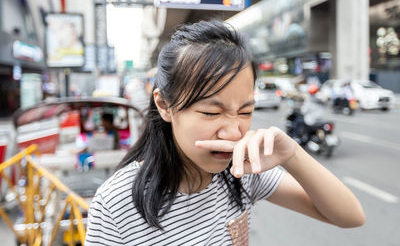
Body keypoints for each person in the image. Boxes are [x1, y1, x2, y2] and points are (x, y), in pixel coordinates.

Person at [85, 20, 365, 245]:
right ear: (165, 105)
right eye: (211, 112)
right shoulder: (117, 202)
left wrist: (291, 154)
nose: (233, 131)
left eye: (245, 112)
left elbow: (350, 217)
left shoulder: (241, 173)